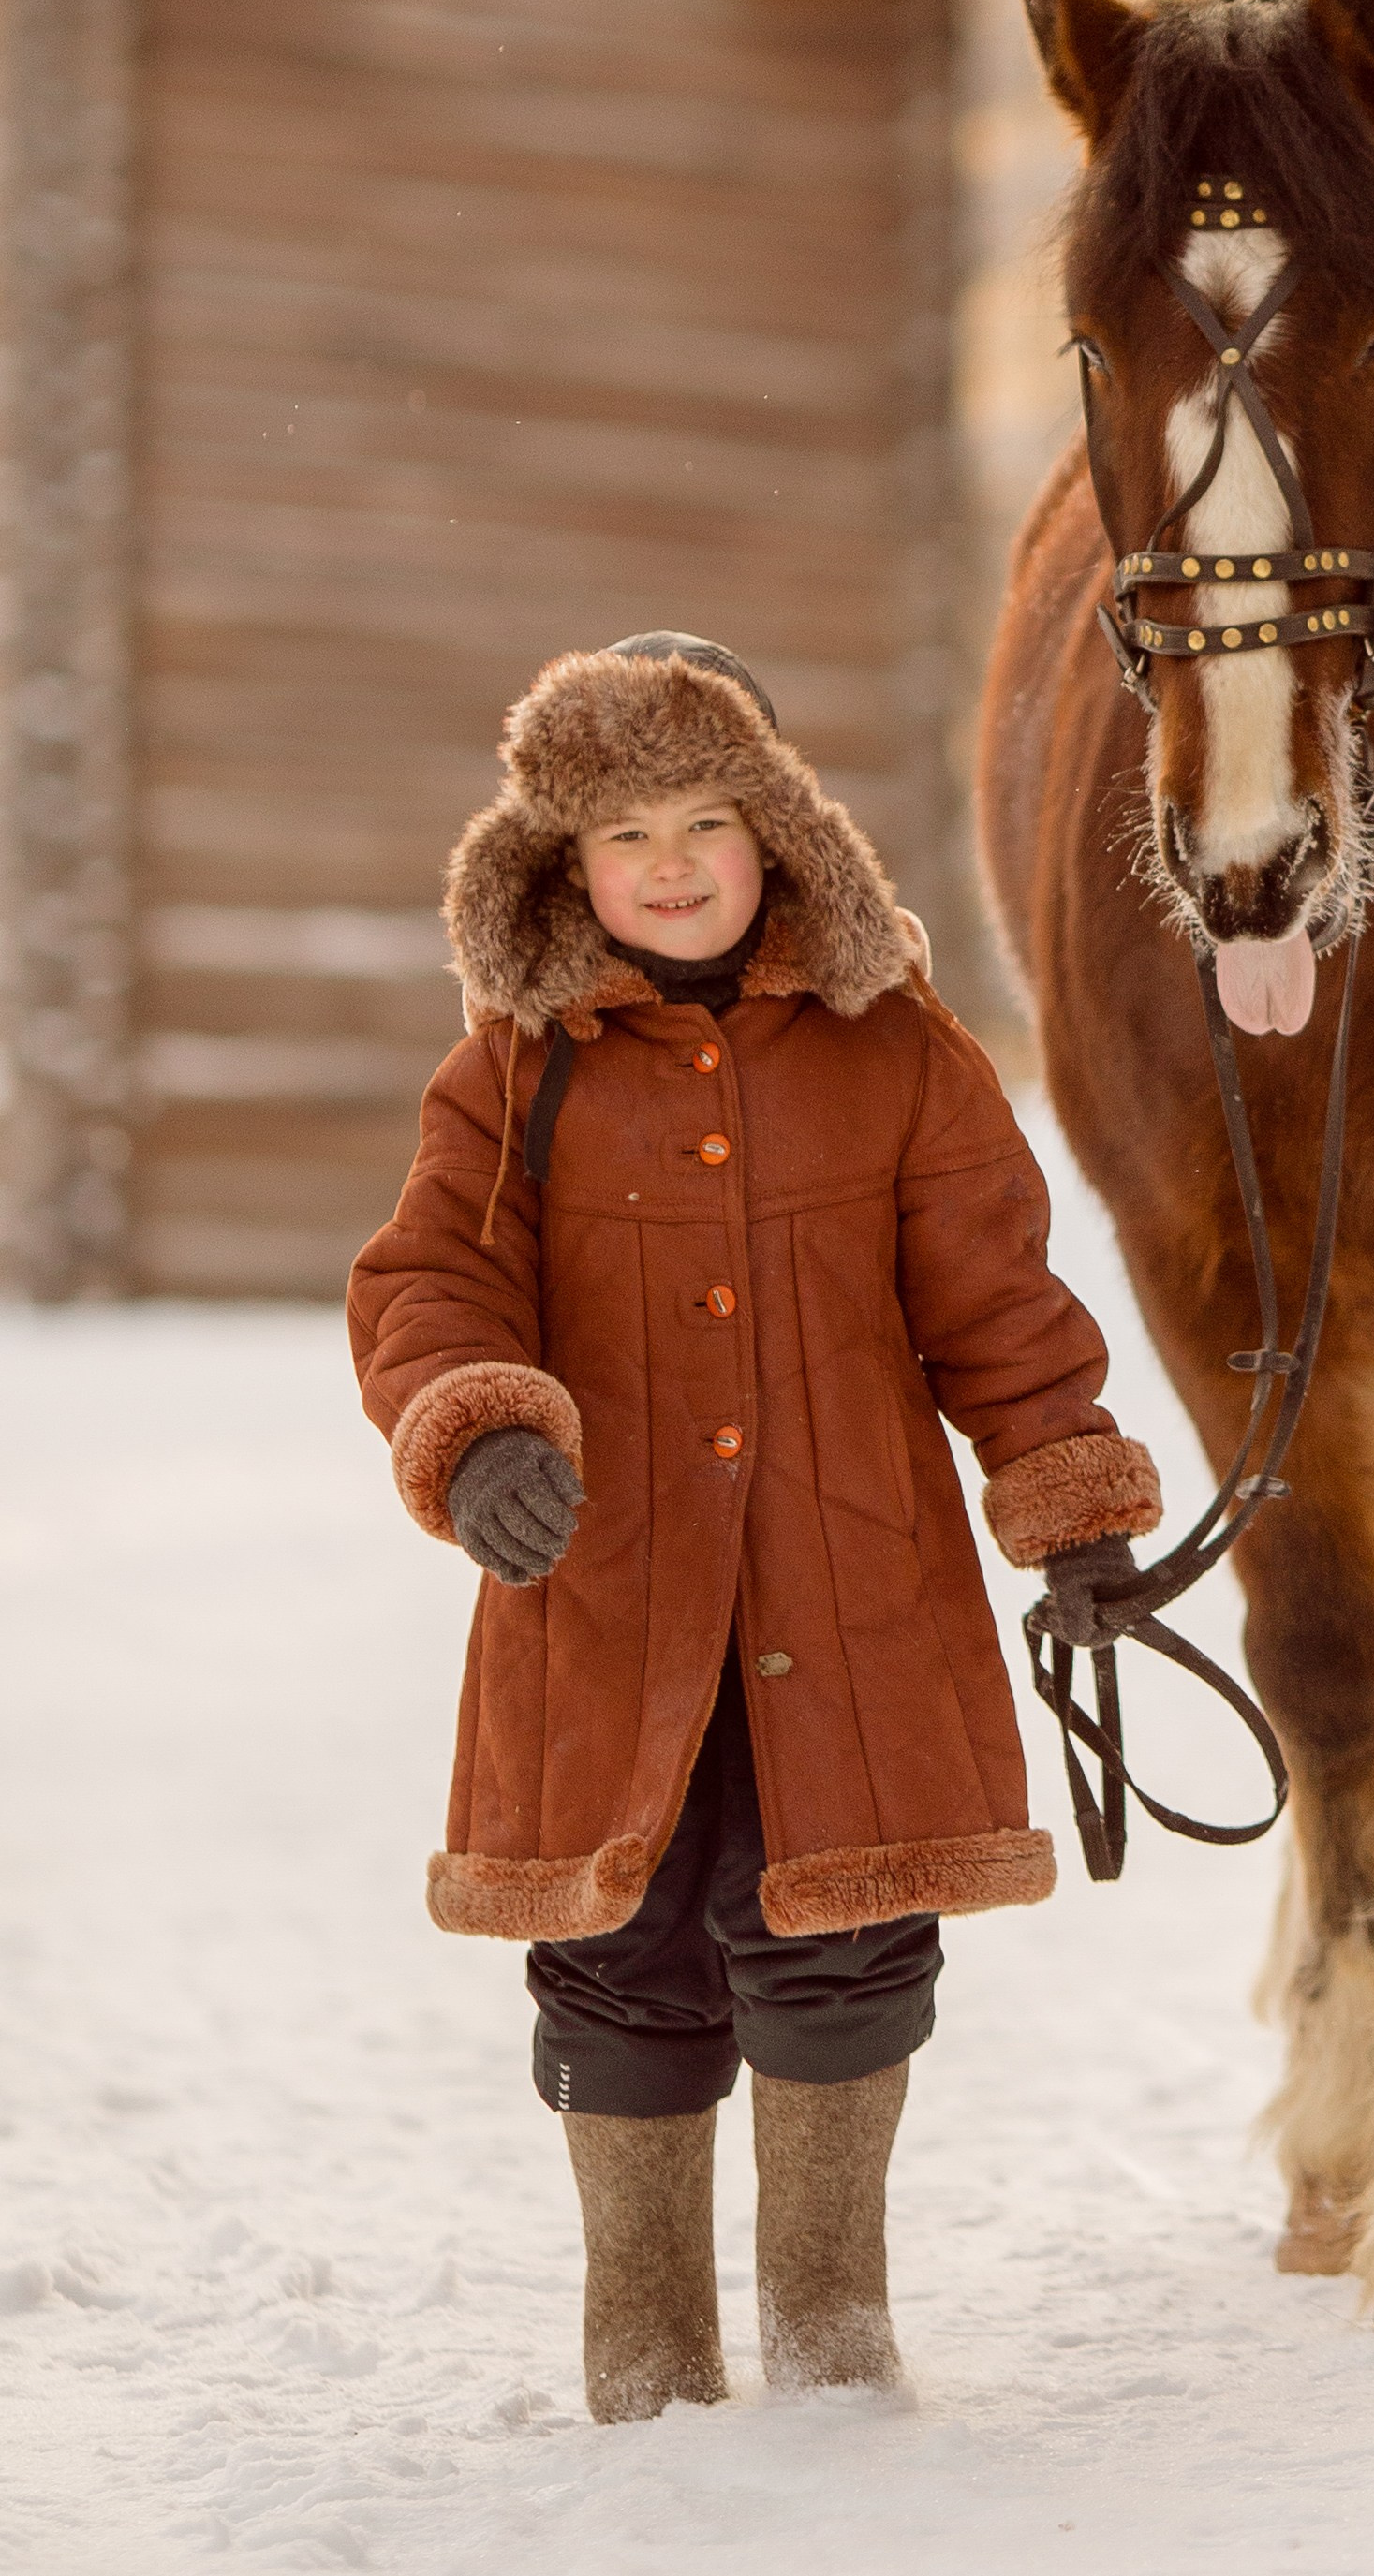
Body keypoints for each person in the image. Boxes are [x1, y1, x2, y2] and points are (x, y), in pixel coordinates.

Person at [348, 633, 1161, 2421]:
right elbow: (431, 1283)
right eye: (622, 830)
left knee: (844, 1937)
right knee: (620, 1946)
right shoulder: (515, 1069)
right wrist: (475, 1428)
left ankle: (832, 2341)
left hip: (849, 1584)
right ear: (562, 860)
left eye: (706, 817)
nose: (668, 863)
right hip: (604, 1592)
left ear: (780, 830)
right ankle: (643, 2363)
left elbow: (997, 1306)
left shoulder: (897, 1051)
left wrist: (1070, 1507)